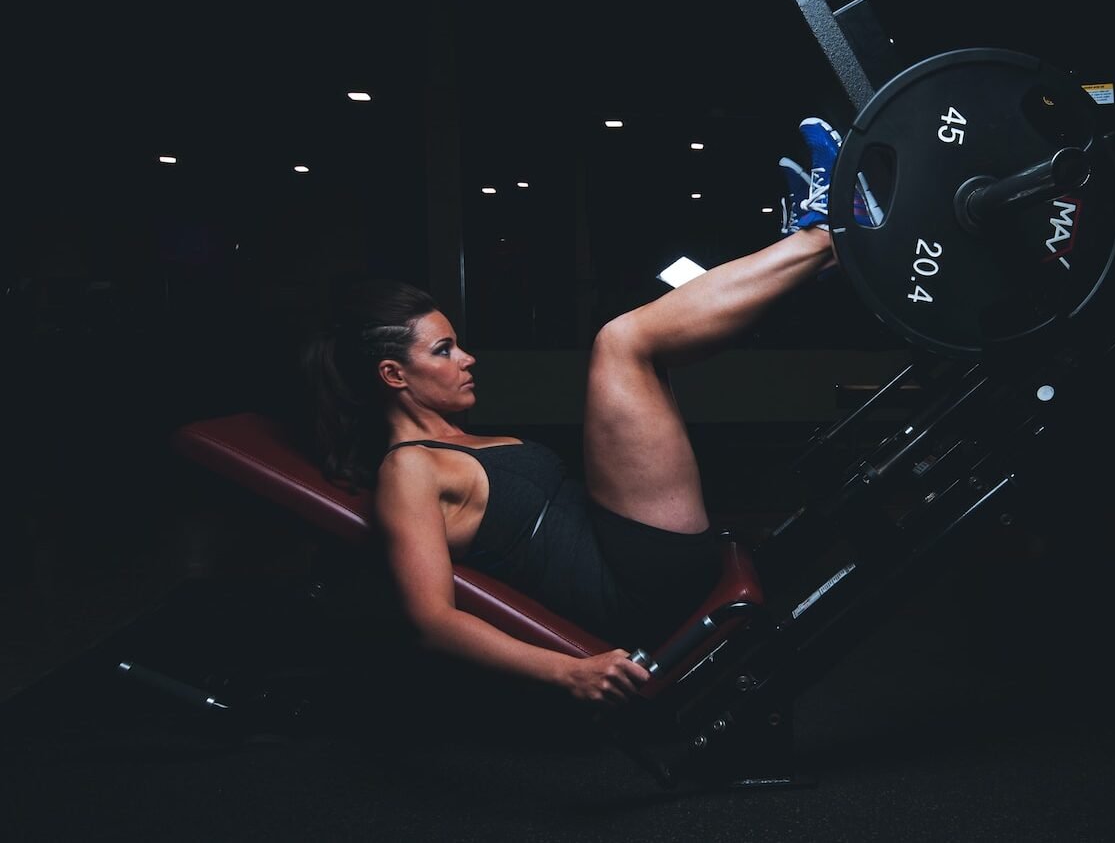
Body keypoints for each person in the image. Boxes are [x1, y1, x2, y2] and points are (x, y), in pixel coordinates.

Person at [301, 117, 874, 709]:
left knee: (648, 355)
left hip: (632, 554)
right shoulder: (408, 471)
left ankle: (809, 258)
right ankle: (821, 235)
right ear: (394, 376)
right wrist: (566, 672)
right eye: (444, 351)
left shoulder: (456, 442)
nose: (468, 359)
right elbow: (431, 620)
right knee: (622, 344)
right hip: (632, 588)